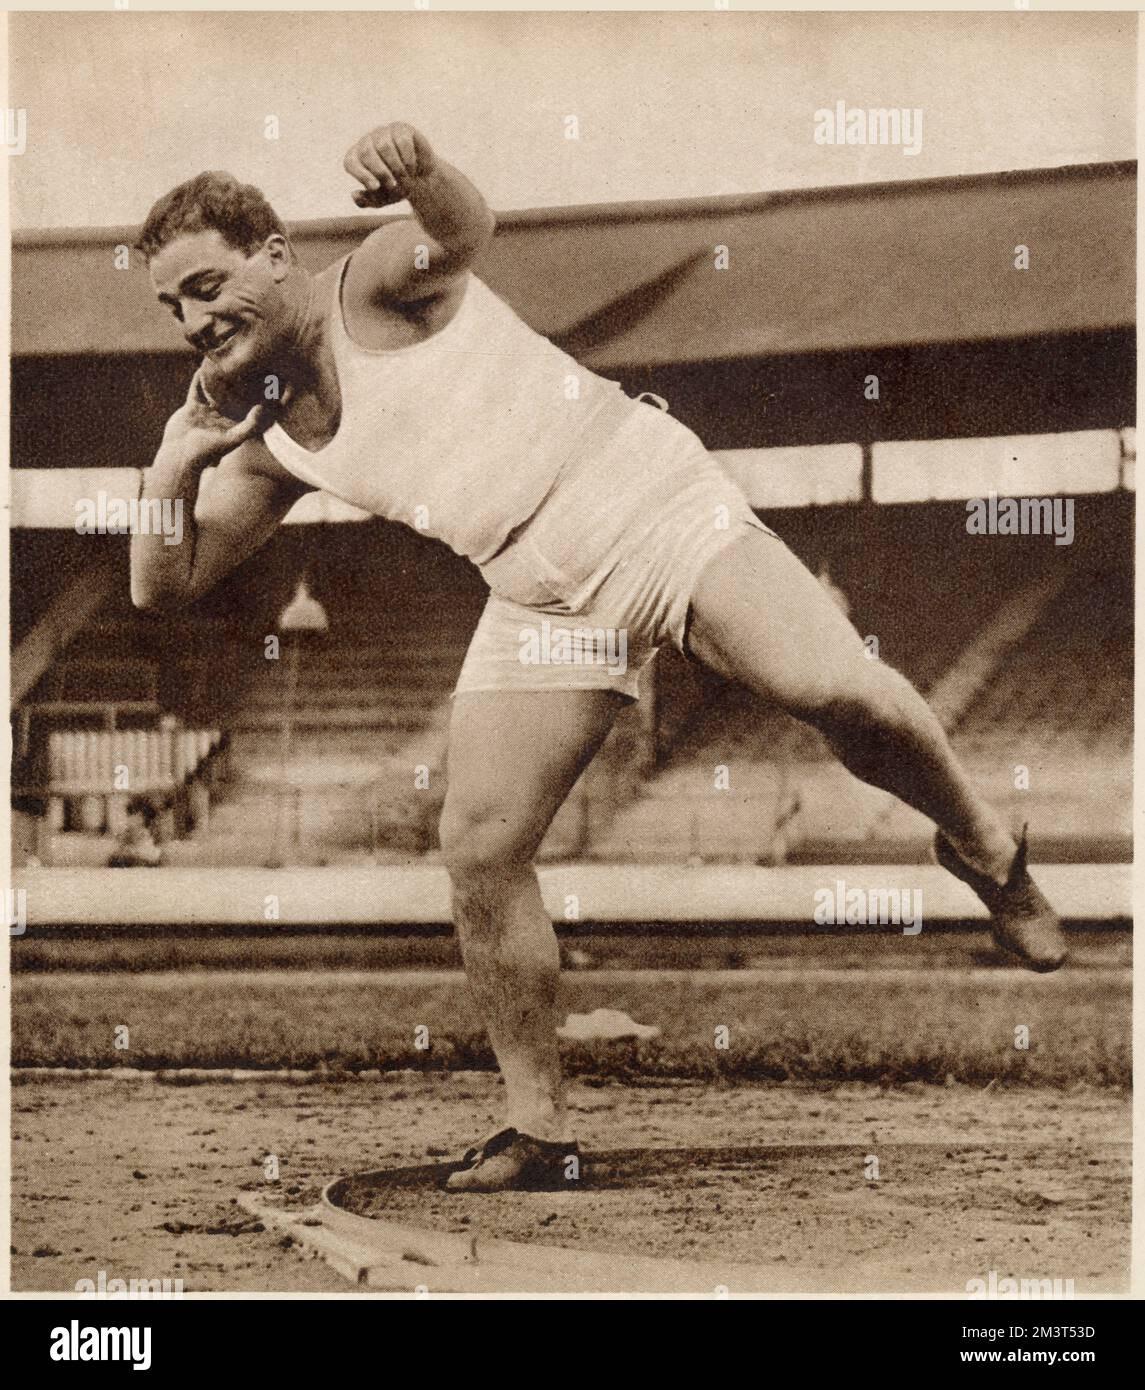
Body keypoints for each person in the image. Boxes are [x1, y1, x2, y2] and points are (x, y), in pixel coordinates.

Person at [130, 121, 1066, 1192]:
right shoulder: (266, 440)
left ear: (274, 254)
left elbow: (463, 225)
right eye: (173, 307)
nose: (195, 321)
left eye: (207, 286)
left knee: (833, 690)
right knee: (479, 844)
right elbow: (163, 583)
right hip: (535, 594)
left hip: (643, 503)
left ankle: (984, 848)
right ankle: (537, 1129)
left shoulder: (375, 282)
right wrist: (167, 473)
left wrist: (421, 169)